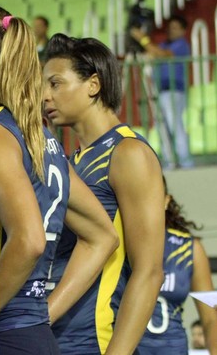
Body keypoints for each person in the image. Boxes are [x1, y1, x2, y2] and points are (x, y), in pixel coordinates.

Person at [0, 4, 118, 354]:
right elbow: (102, 235)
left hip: (2, 334)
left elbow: (29, 241)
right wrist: (44, 312)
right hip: (33, 334)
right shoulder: (40, 137)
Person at [43, 33, 166, 354]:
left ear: (93, 85)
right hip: (55, 342)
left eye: (55, 83)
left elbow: (149, 271)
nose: (44, 96)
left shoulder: (129, 154)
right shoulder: (70, 161)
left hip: (97, 341)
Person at [136, 178, 217, 354]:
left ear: (166, 200)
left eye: (152, 197)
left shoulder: (189, 248)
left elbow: (211, 318)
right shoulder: (115, 244)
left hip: (172, 348)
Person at [131, 15, 193, 169]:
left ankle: (186, 161)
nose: (171, 31)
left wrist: (143, 39)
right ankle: (169, 162)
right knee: (162, 127)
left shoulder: (181, 45)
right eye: (170, 27)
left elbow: (162, 55)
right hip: (160, 90)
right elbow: (153, 54)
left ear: (183, 30)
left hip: (174, 90)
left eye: (175, 28)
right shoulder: (164, 44)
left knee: (174, 125)